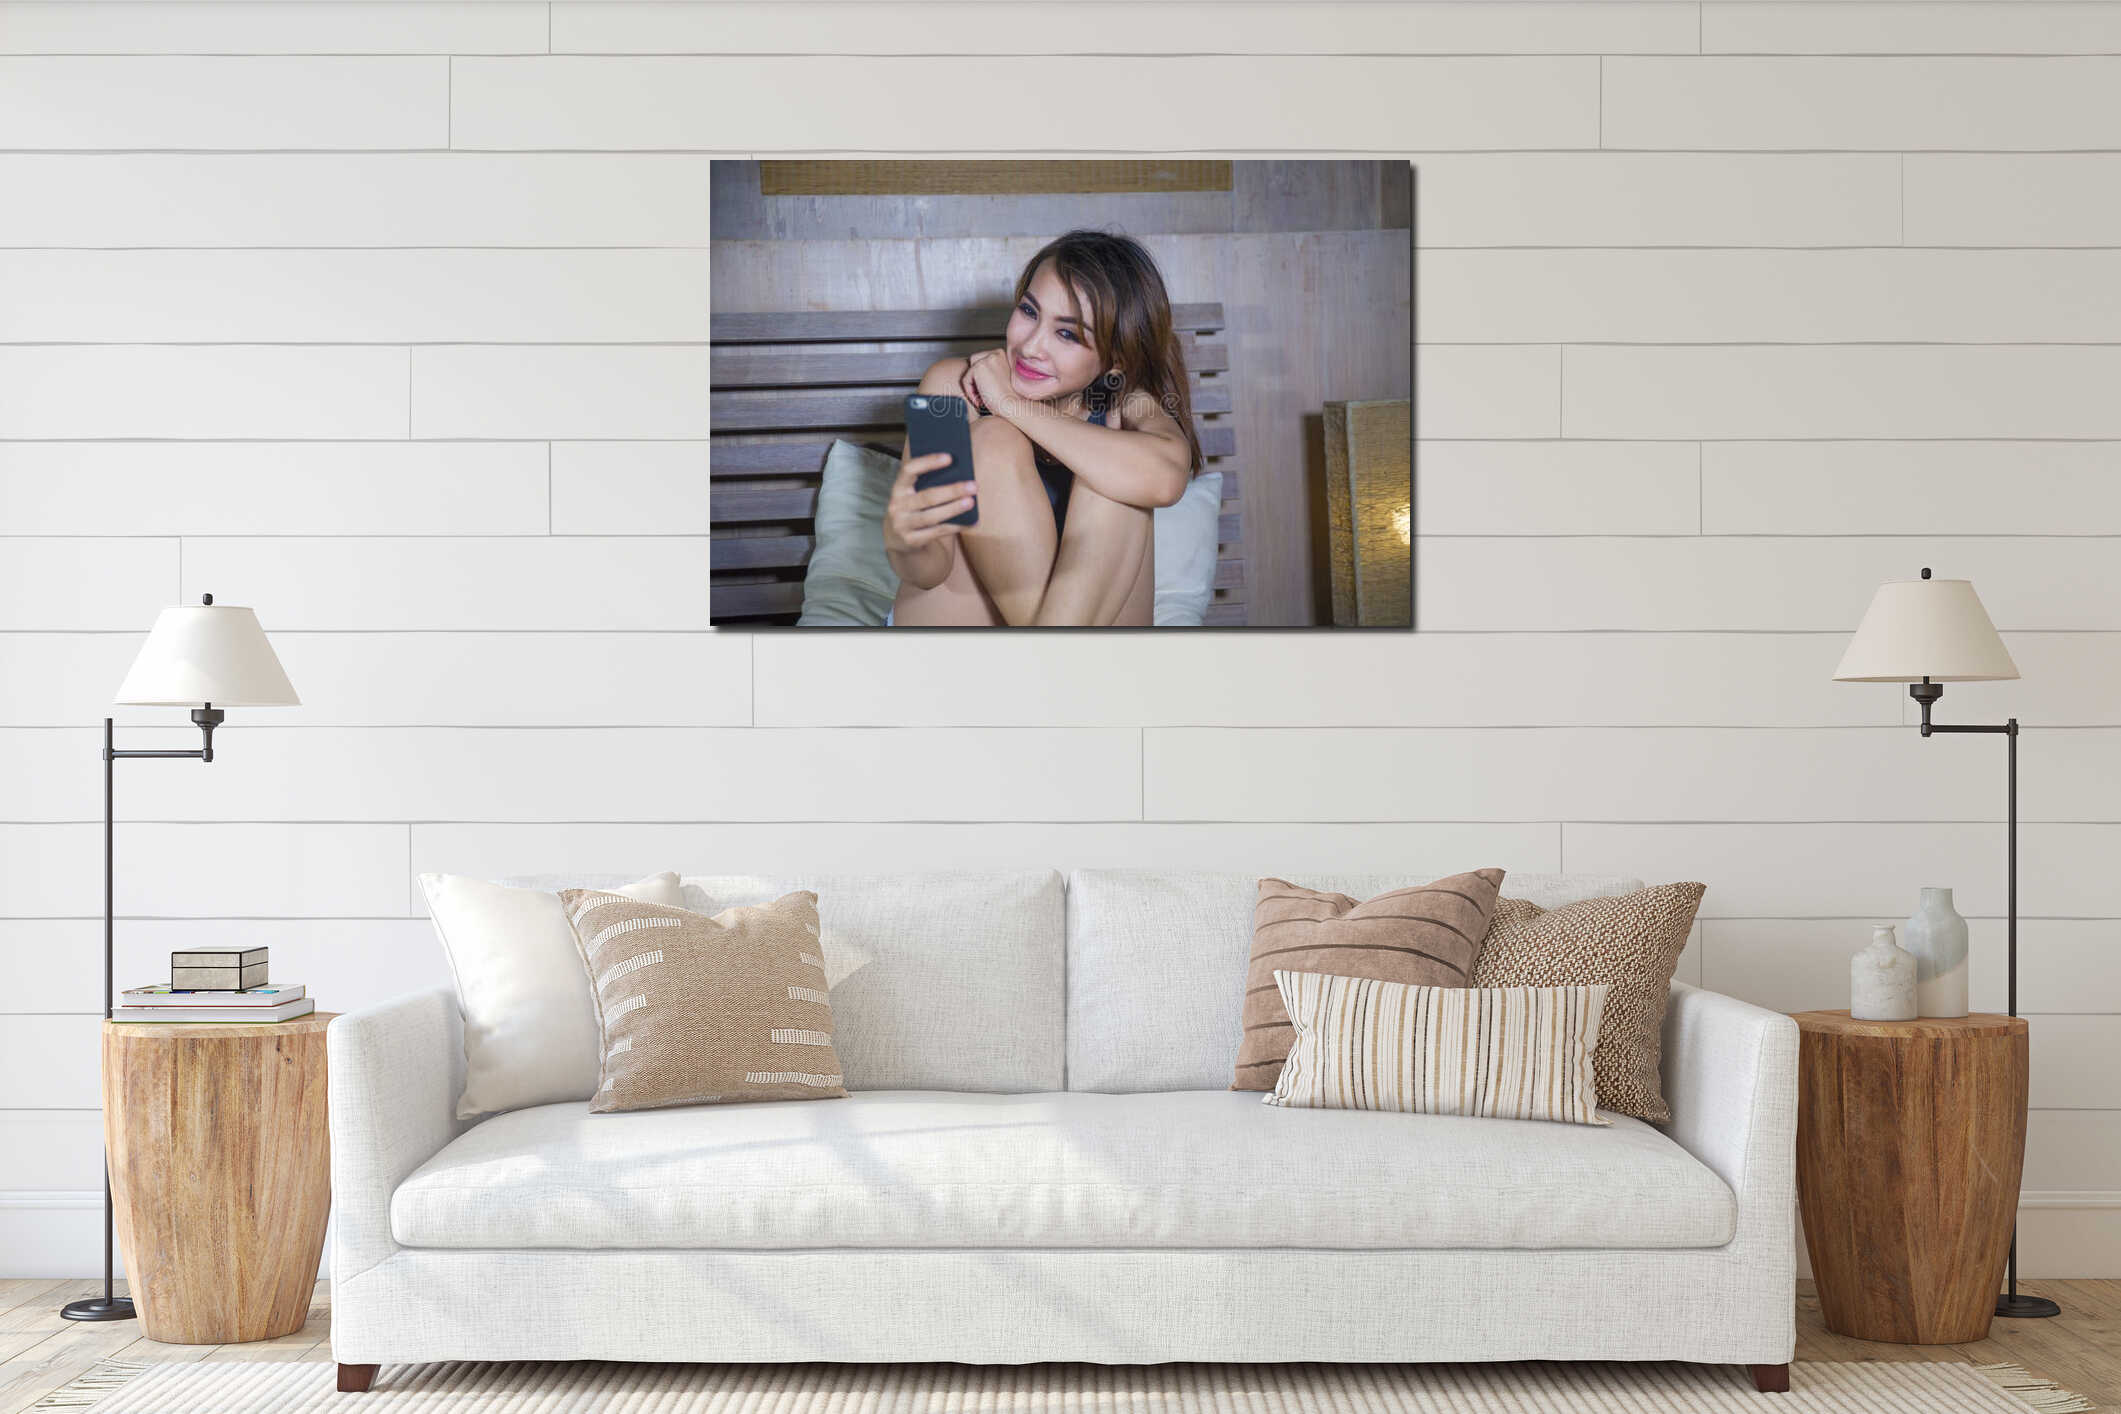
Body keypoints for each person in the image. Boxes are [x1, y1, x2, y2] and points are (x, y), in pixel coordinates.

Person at [883, 230, 1203, 627]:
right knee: (993, 441)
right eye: (1029, 312)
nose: (1031, 346)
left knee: (1117, 475)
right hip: (965, 651)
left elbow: (1166, 479)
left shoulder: (1125, 402)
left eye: (1067, 333)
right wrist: (906, 541)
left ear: (1114, 361)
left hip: (1076, 653)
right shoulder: (952, 388)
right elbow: (929, 570)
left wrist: (1010, 405)